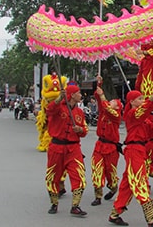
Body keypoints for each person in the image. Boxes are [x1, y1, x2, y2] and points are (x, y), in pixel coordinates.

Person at [108, 86, 153, 227]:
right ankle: (151, 219)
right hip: (134, 149)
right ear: (132, 101)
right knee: (140, 181)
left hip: (140, 149)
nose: (142, 100)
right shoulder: (132, 114)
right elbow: (144, 109)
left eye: (142, 98)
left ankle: (114, 214)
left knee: (127, 184)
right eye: (139, 98)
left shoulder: (143, 118)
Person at [45, 82, 89, 217]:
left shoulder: (80, 112)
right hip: (56, 147)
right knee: (53, 176)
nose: (80, 95)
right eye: (78, 92)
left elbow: (85, 130)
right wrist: (59, 98)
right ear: (72, 95)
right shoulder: (58, 108)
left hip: (74, 148)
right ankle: (54, 203)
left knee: (79, 176)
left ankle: (75, 206)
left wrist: (80, 130)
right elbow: (49, 110)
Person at [90, 77, 123, 206]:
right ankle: (98, 195)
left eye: (113, 102)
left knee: (111, 172)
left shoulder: (115, 115)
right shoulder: (104, 109)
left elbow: (106, 105)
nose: (110, 102)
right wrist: (99, 84)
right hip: (100, 144)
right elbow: (99, 98)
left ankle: (113, 187)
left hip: (111, 148)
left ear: (117, 107)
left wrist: (102, 95)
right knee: (97, 169)